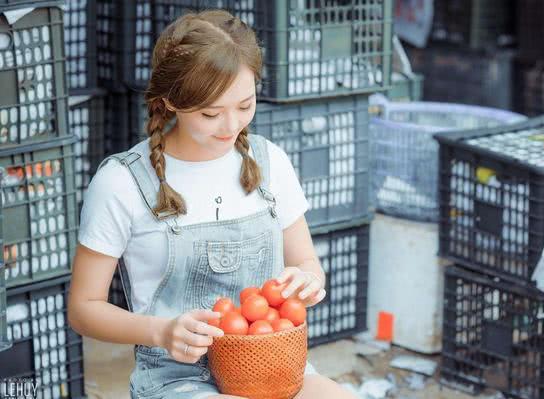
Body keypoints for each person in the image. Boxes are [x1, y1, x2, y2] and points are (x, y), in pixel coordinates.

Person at [68, 9, 358, 399]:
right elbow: (83, 308)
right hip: (177, 379)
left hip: (273, 362)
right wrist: (162, 331)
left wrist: (308, 281)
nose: (231, 126)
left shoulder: (270, 162)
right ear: (170, 101)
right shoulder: (122, 182)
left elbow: (307, 263)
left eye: (245, 105)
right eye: (210, 113)